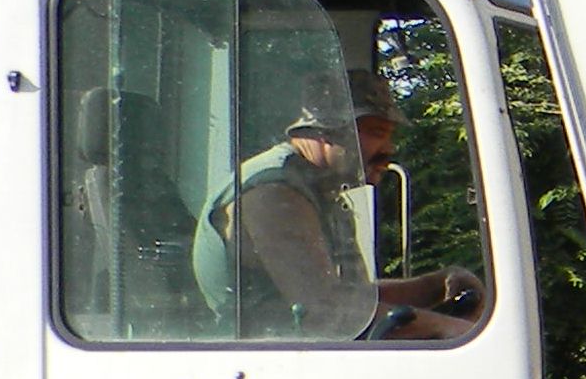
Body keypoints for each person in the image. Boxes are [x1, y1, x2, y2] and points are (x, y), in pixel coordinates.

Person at [192, 68, 484, 340]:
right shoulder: (272, 194)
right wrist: (461, 334)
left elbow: (348, 300)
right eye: (377, 133)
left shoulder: (315, 189)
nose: (390, 150)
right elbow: (327, 316)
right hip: (268, 368)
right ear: (324, 132)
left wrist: (434, 286)